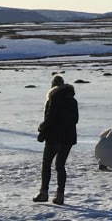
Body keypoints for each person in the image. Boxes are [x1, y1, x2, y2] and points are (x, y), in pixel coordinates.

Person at [35, 75, 78, 204]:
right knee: (60, 165)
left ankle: (44, 192)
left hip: (54, 137)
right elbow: (75, 120)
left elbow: (50, 119)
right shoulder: (73, 100)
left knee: (46, 164)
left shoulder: (53, 99)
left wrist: (41, 129)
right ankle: (60, 195)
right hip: (68, 138)